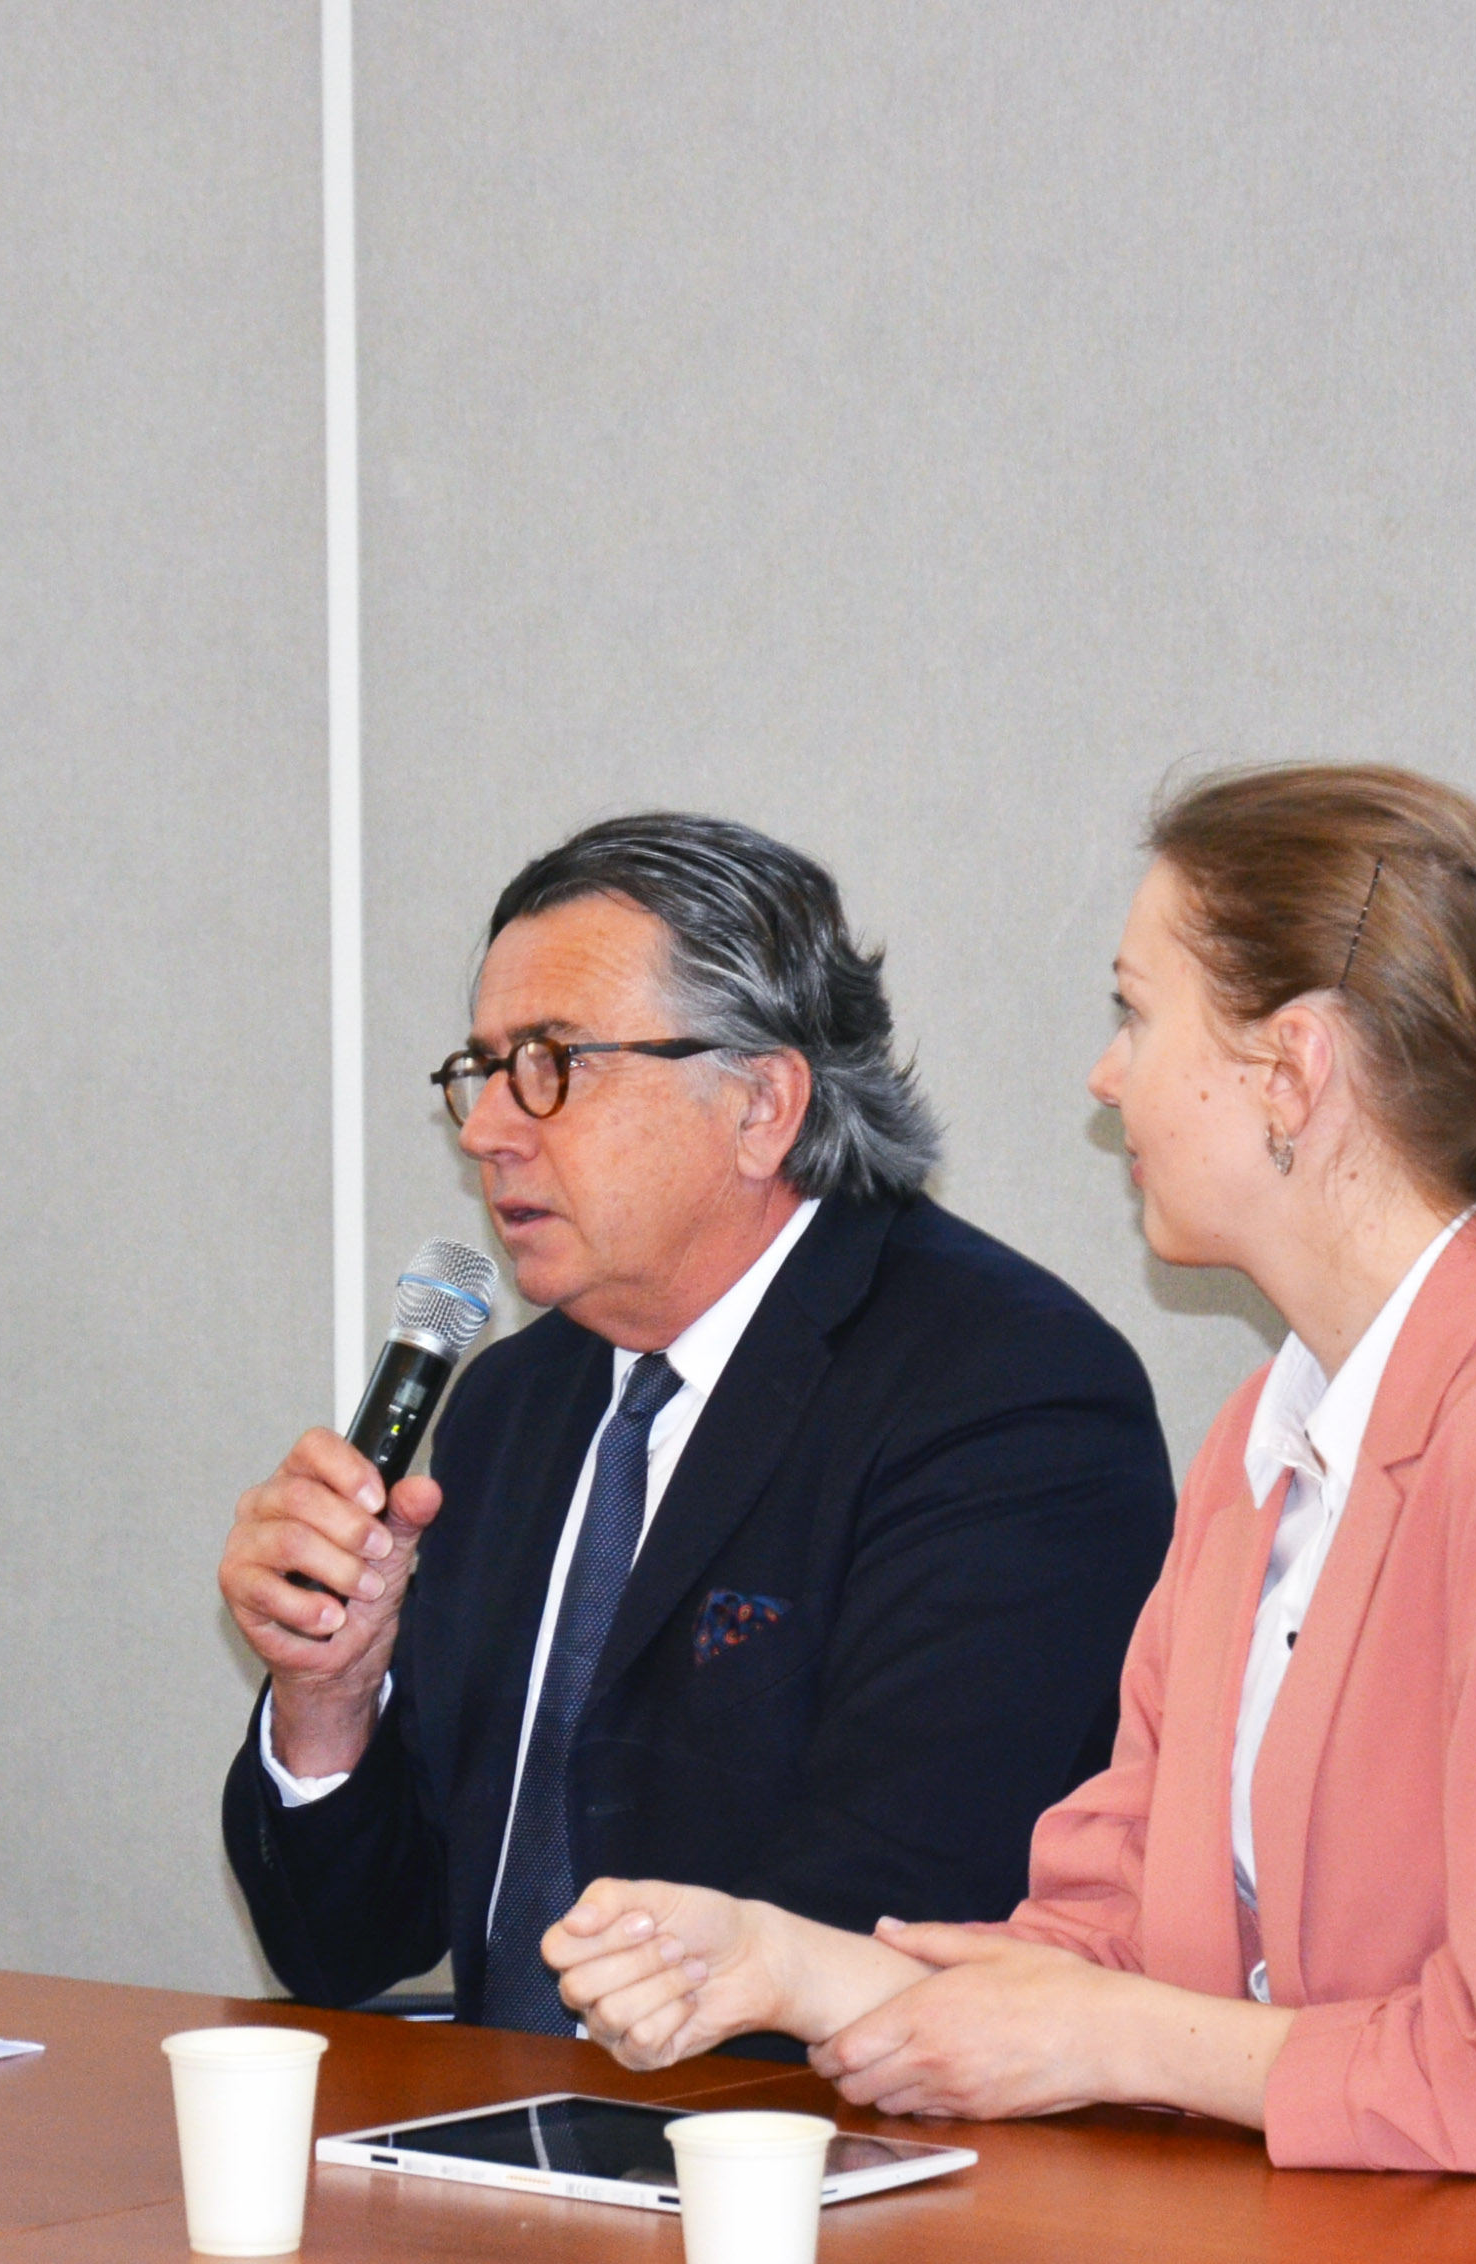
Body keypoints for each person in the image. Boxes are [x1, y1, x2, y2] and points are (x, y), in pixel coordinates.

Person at [543, 767, 1476, 2203]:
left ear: (1291, 1071)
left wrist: (1120, 2037)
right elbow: (1107, 1950)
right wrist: (779, 1962)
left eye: (1135, 1013)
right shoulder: (1268, 1438)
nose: (1103, 1075)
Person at [218, 814, 1174, 2036]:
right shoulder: (510, 1407)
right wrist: (331, 1694)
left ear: (762, 1104)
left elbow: (903, 1919)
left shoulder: (1005, 1395)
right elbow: (345, 1946)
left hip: (791, 2138)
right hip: (502, 2128)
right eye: (483, 1068)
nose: (486, 1128)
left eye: (551, 1063)